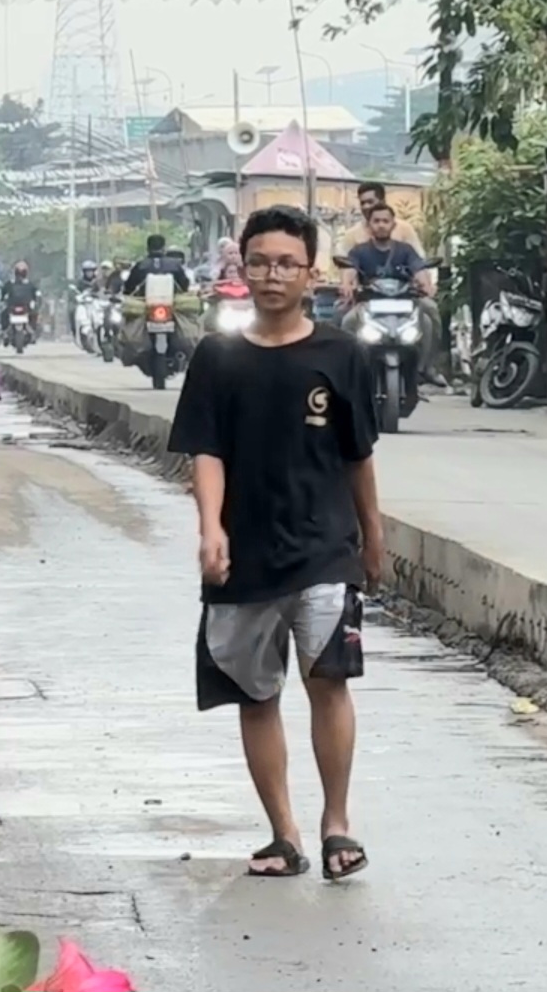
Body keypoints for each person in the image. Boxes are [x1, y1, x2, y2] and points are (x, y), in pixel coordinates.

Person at [168, 204, 382, 882]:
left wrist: (374, 536)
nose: (271, 274)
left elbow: (359, 455)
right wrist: (211, 527)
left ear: (310, 271)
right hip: (244, 555)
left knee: (330, 680)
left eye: (286, 262)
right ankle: (283, 833)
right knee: (256, 694)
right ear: (242, 268)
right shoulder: (217, 355)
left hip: (324, 547)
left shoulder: (341, 354)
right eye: (259, 261)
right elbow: (205, 449)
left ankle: (337, 823)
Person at [337, 183, 445, 385]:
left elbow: (419, 269)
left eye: (385, 221)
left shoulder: (405, 249)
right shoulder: (359, 250)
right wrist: (347, 285)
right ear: (370, 225)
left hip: (406, 300)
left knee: (430, 316)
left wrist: (426, 285)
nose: (380, 225)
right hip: (368, 302)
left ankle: (427, 366)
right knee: (346, 321)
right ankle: (346, 370)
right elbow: (349, 270)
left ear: (393, 224)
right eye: (376, 221)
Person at [123, 235, 190, 296]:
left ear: (148, 249)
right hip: (171, 301)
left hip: (145, 301)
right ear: (164, 248)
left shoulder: (140, 265)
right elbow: (184, 285)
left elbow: (129, 287)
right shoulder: (175, 264)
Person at [0, 261, 41, 340]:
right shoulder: (29, 284)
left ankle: (5, 332)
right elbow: (37, 293)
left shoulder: (11, 283)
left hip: (19, 307)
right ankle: (5, 332)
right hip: (18, 307)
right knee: (4, 314)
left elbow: (3, 292)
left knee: (3, 315)